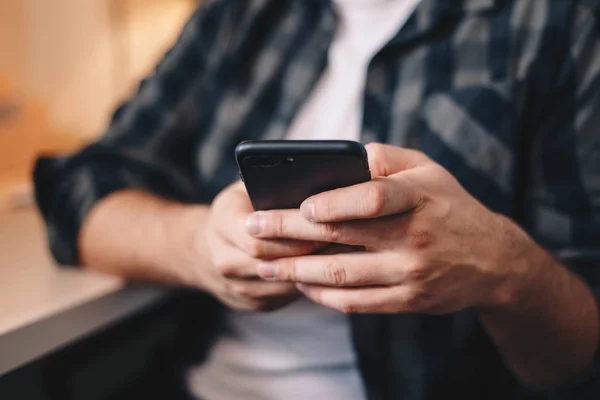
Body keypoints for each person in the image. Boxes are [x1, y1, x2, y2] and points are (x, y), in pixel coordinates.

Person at [34, 0, 600, 399]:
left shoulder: (559, 21)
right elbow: (77, 187)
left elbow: (579, 360)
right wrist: (202, 245)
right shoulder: (241, 13)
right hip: (203, 383)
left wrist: (505, 270)